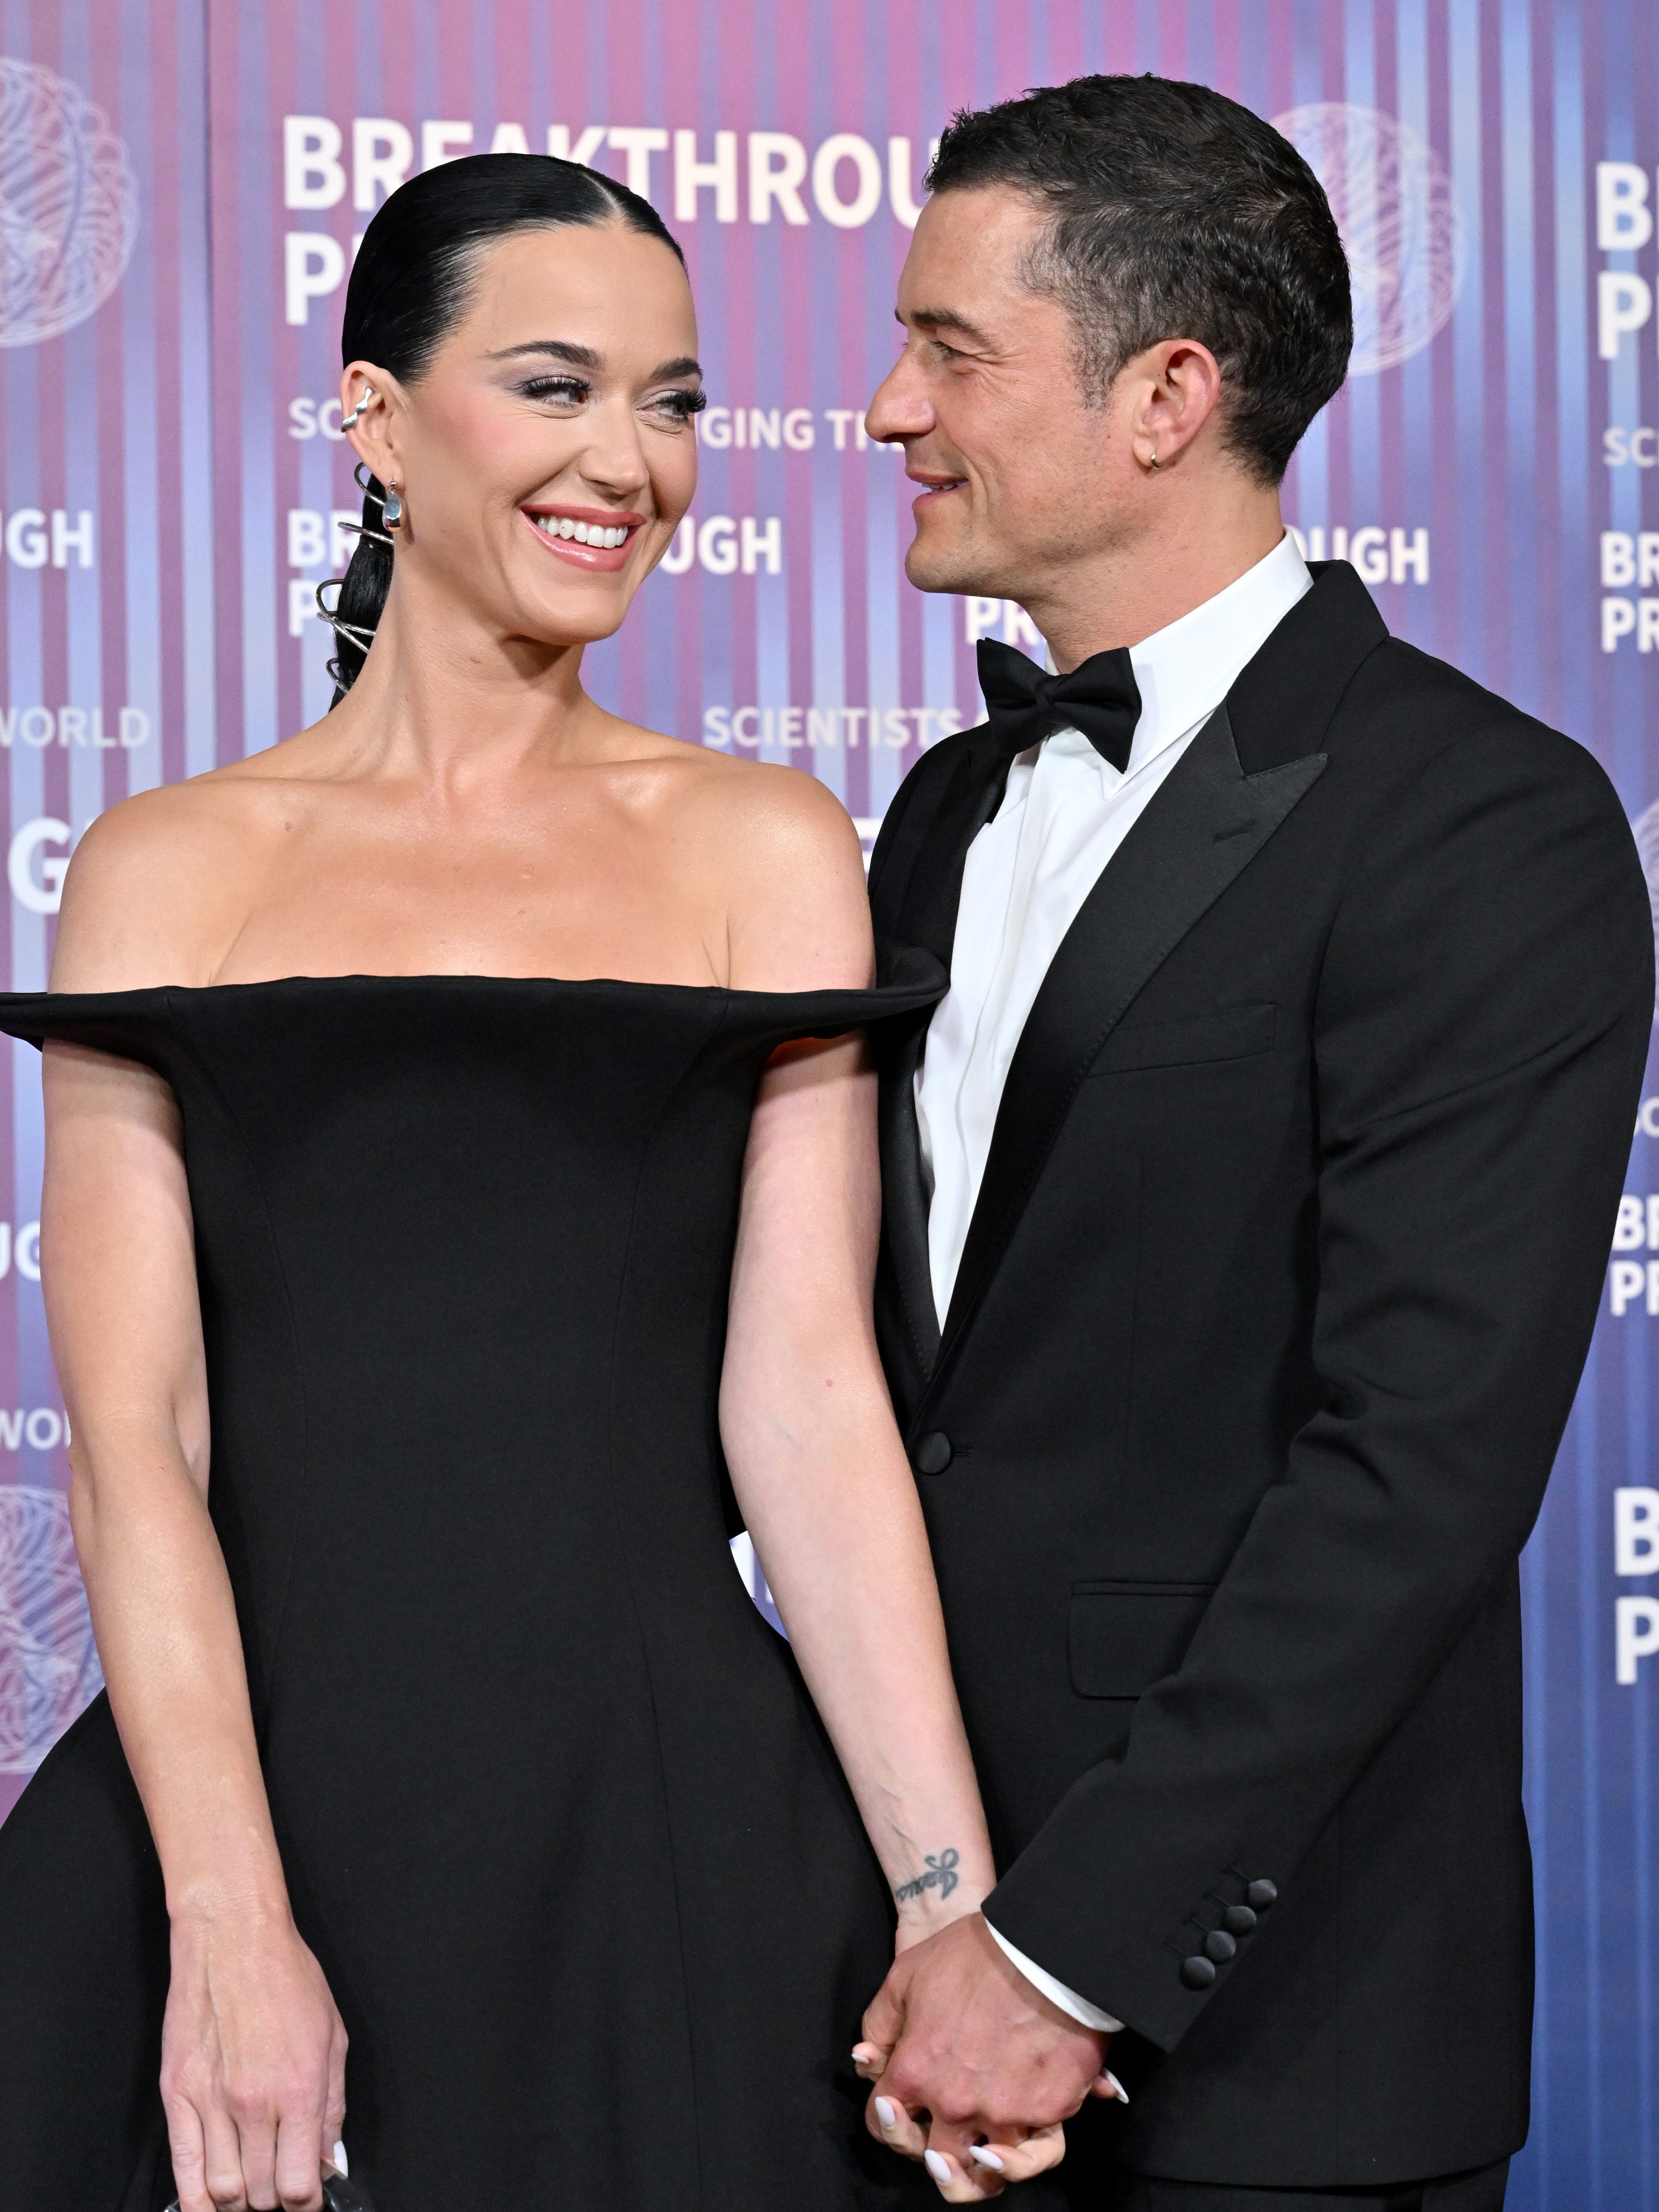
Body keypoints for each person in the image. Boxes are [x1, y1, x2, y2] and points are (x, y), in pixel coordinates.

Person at [0, 153, 998, 2212]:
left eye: (674, 401)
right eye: (554, 388)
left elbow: (807, 1410)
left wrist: (945, 1907)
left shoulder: (765, 849)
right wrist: (229, 1926)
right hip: (241, 1817)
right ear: (374, 418)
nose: (625, 462)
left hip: (658, 1840)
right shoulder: (168, 870)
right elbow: (136, 1441)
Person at [852, 75, 1653, 2211]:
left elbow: (1417, 1466)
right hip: (876, 1983)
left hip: (1266, 2036)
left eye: (947, 349)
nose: (880, 410)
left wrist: (1064, 1948)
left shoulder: (1481, 825)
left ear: (1167, 393)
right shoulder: (943, 811)